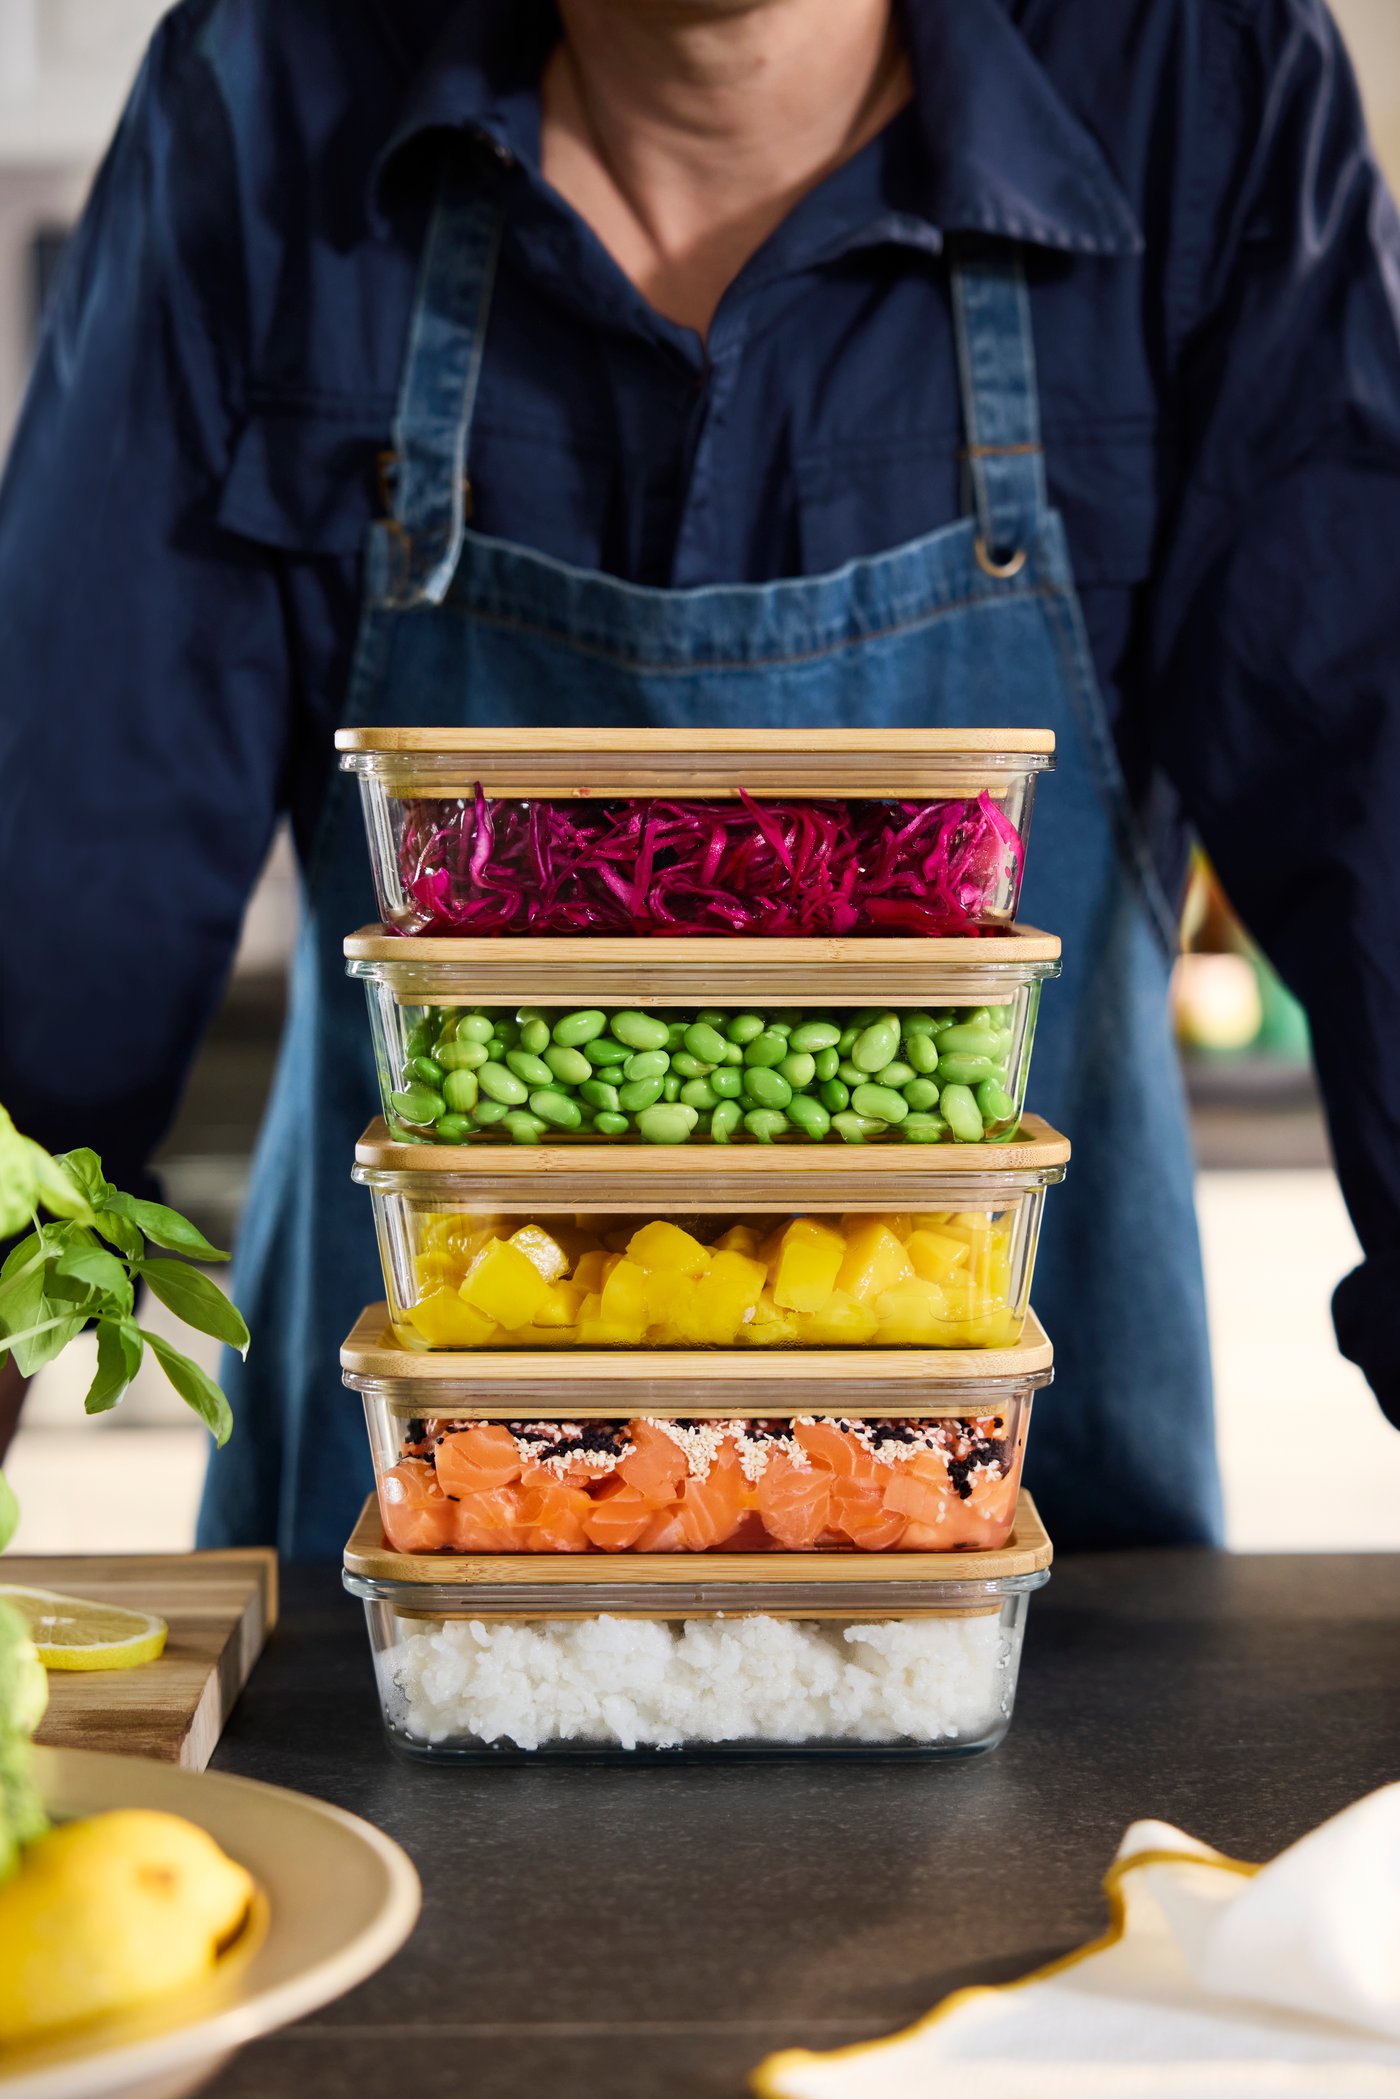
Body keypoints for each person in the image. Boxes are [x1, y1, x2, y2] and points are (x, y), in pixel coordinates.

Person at [2, 0, 1398, 1558]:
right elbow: (50, 939)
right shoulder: (268, 90)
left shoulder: (1198, 78)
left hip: (1033, 1584)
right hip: (401, 1588)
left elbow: (1382, 820)